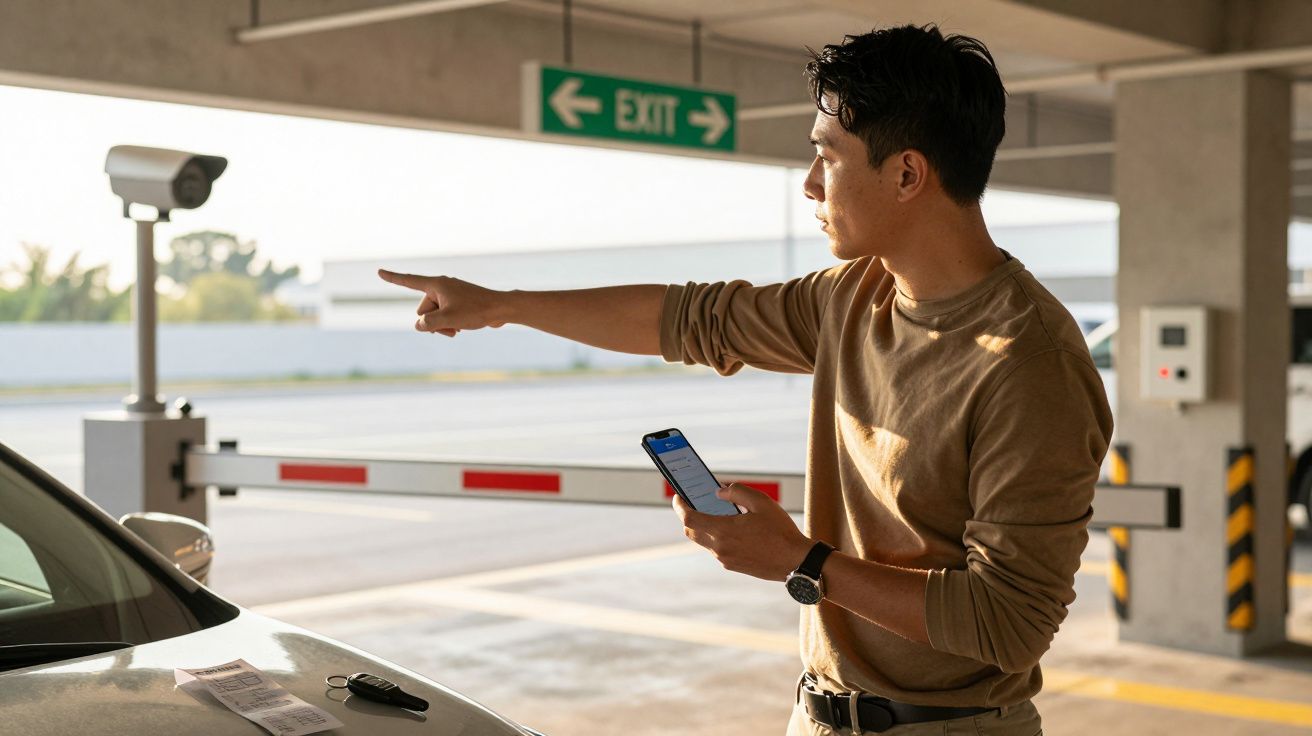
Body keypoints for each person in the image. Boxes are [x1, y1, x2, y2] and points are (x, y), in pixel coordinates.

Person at [379, 24, 1111, 736]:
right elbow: (688, 318)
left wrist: (802, 562)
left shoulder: (1029, 364)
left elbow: (1009, 624)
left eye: (828, 156)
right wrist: (502, 307)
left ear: (907, 174)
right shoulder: (852, 296)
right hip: (819, 713)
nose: (810, 185)